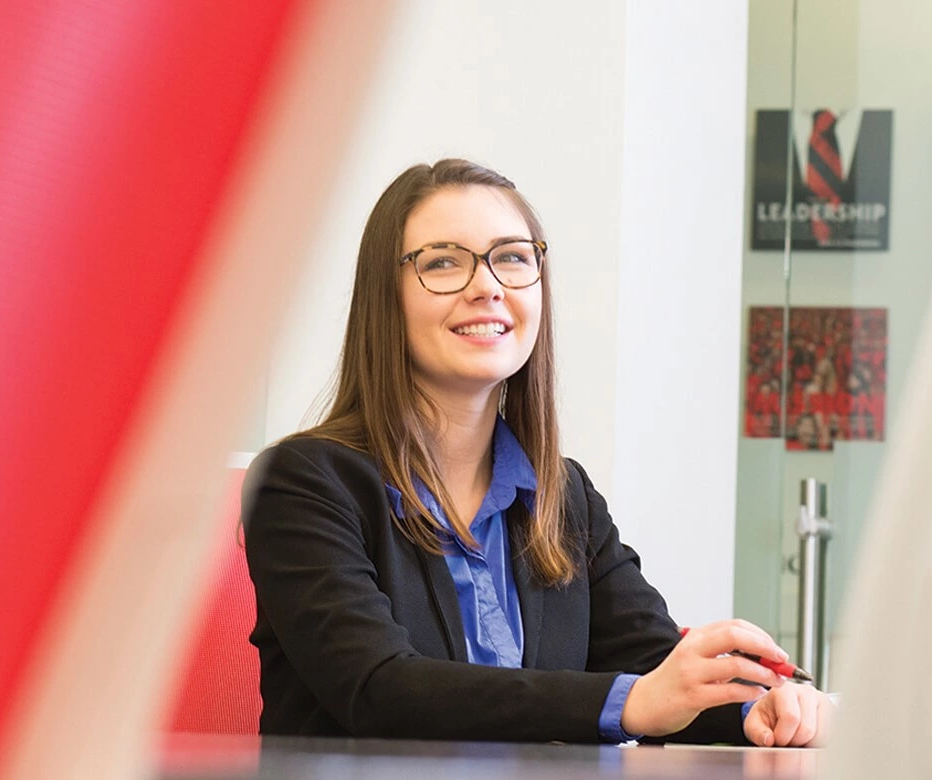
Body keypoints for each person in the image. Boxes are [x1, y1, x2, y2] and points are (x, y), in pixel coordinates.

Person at [242, 159, 833, 747]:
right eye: (443, 262)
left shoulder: (564, 494)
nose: (488, 286)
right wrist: (634, 702)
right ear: (385, 296)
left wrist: (762, 708)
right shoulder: (302, 483)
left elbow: (657, 672)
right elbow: (378, 688)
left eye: (513, 258)